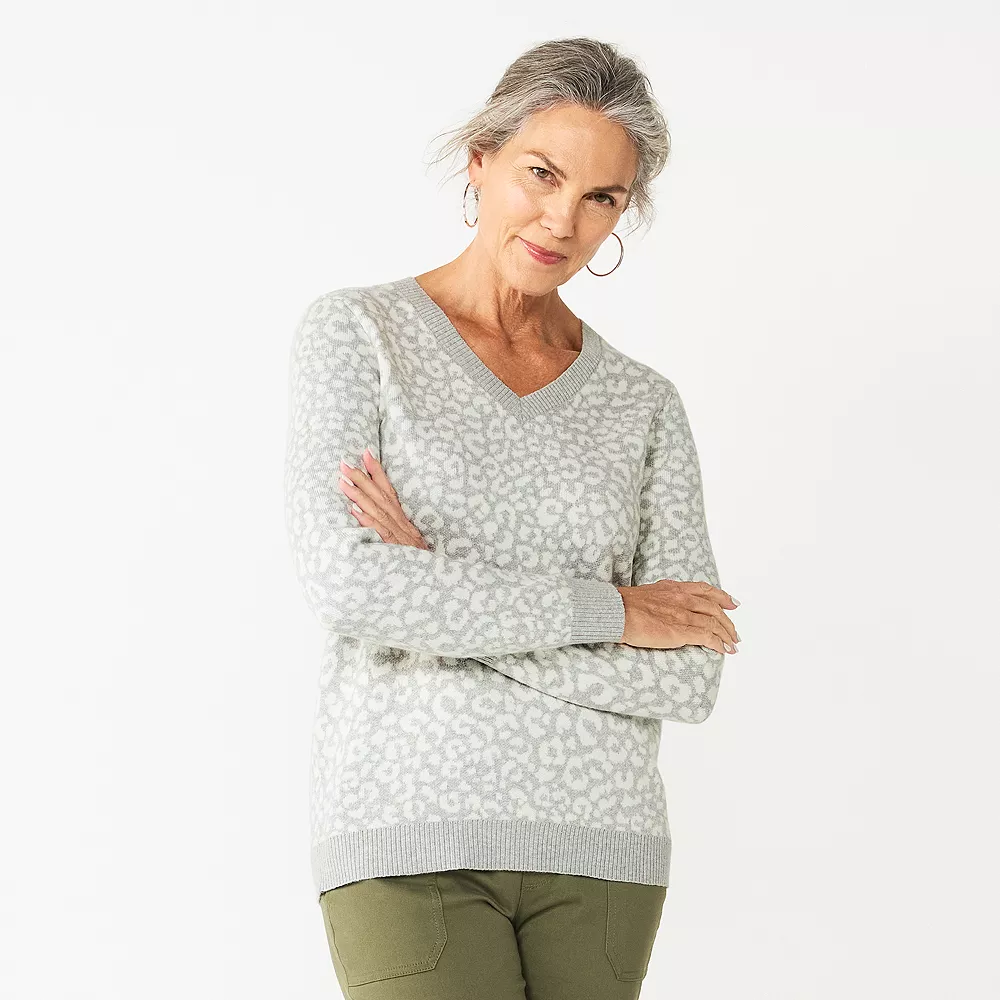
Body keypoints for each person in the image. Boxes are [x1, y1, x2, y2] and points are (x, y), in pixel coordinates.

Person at [283, 35, 740, 1000]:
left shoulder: (643, 405)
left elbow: (690, 673)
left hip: (604, 850)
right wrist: (617, 613)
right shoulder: (359, 335)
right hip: (409, 833)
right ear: (480, 159)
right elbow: (351, 582)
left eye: (602, 197)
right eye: (542, 173)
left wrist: (436, 585)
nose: (563, 219)